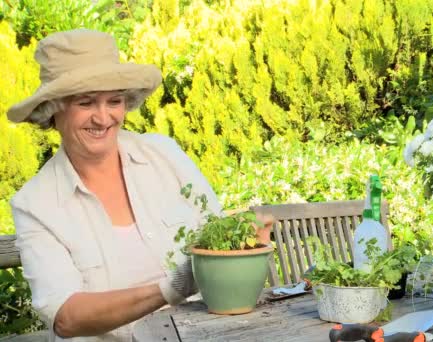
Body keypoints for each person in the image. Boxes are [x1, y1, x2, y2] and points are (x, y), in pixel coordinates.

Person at [7, 29, 271, 341]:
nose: (103, 117)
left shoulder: (164, 154)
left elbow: (215, 236)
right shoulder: (36, 204)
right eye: (86, 103)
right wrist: (171, 287)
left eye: (114, 101)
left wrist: (244, 240)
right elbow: (66, 316)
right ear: (53, 109)